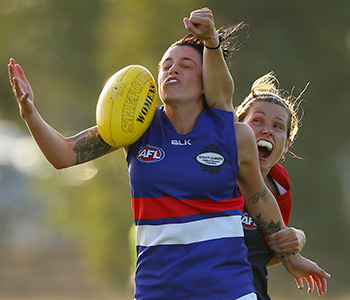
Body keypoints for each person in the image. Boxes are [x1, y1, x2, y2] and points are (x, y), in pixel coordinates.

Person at [8, 7, 330, 300]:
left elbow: (259, 198)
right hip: (157, 293)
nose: (172, 70)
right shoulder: (136, 127)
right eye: (166, 65)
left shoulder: (230, 133)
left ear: (205, 81)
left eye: (186, 64)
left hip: (229, 293)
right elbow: (63, 155)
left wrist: (291, 256)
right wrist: (30, 112)